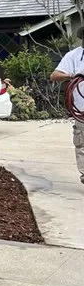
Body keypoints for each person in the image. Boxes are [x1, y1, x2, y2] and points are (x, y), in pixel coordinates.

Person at [49, 30, 84, 185]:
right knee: (82, 144)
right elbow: (54, 75)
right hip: (81, 110)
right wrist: (75, 75)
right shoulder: (74, 56)